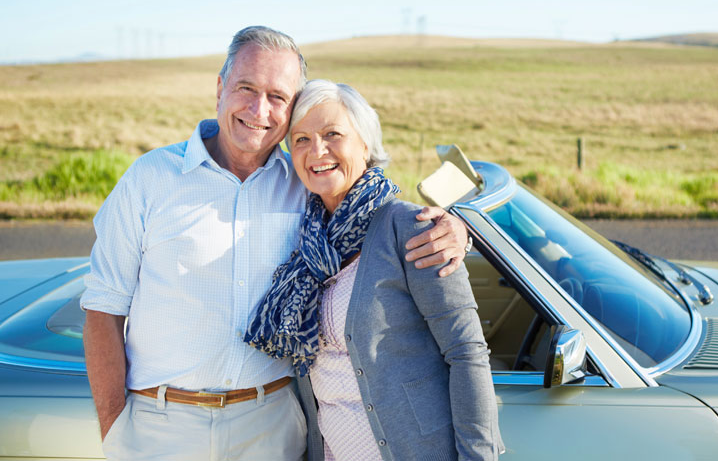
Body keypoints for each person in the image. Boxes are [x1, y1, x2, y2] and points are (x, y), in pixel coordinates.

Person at [80, 26, 470, 461]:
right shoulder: (150, 179)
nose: (258, 109)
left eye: (278, 97)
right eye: (246, 88)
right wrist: (115, 432)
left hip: (272, 428)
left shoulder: (305, 181)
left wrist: (453, 228)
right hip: (162, 426)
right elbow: (103, 308)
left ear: (291, 109)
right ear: (220, 88)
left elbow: (368, 205)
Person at [245, 79, 503, 461]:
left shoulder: (412, 229)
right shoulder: (305, 240)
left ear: (365, 143)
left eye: (333, 134)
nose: (317, 150)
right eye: (301, 139)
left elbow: (466, 352)